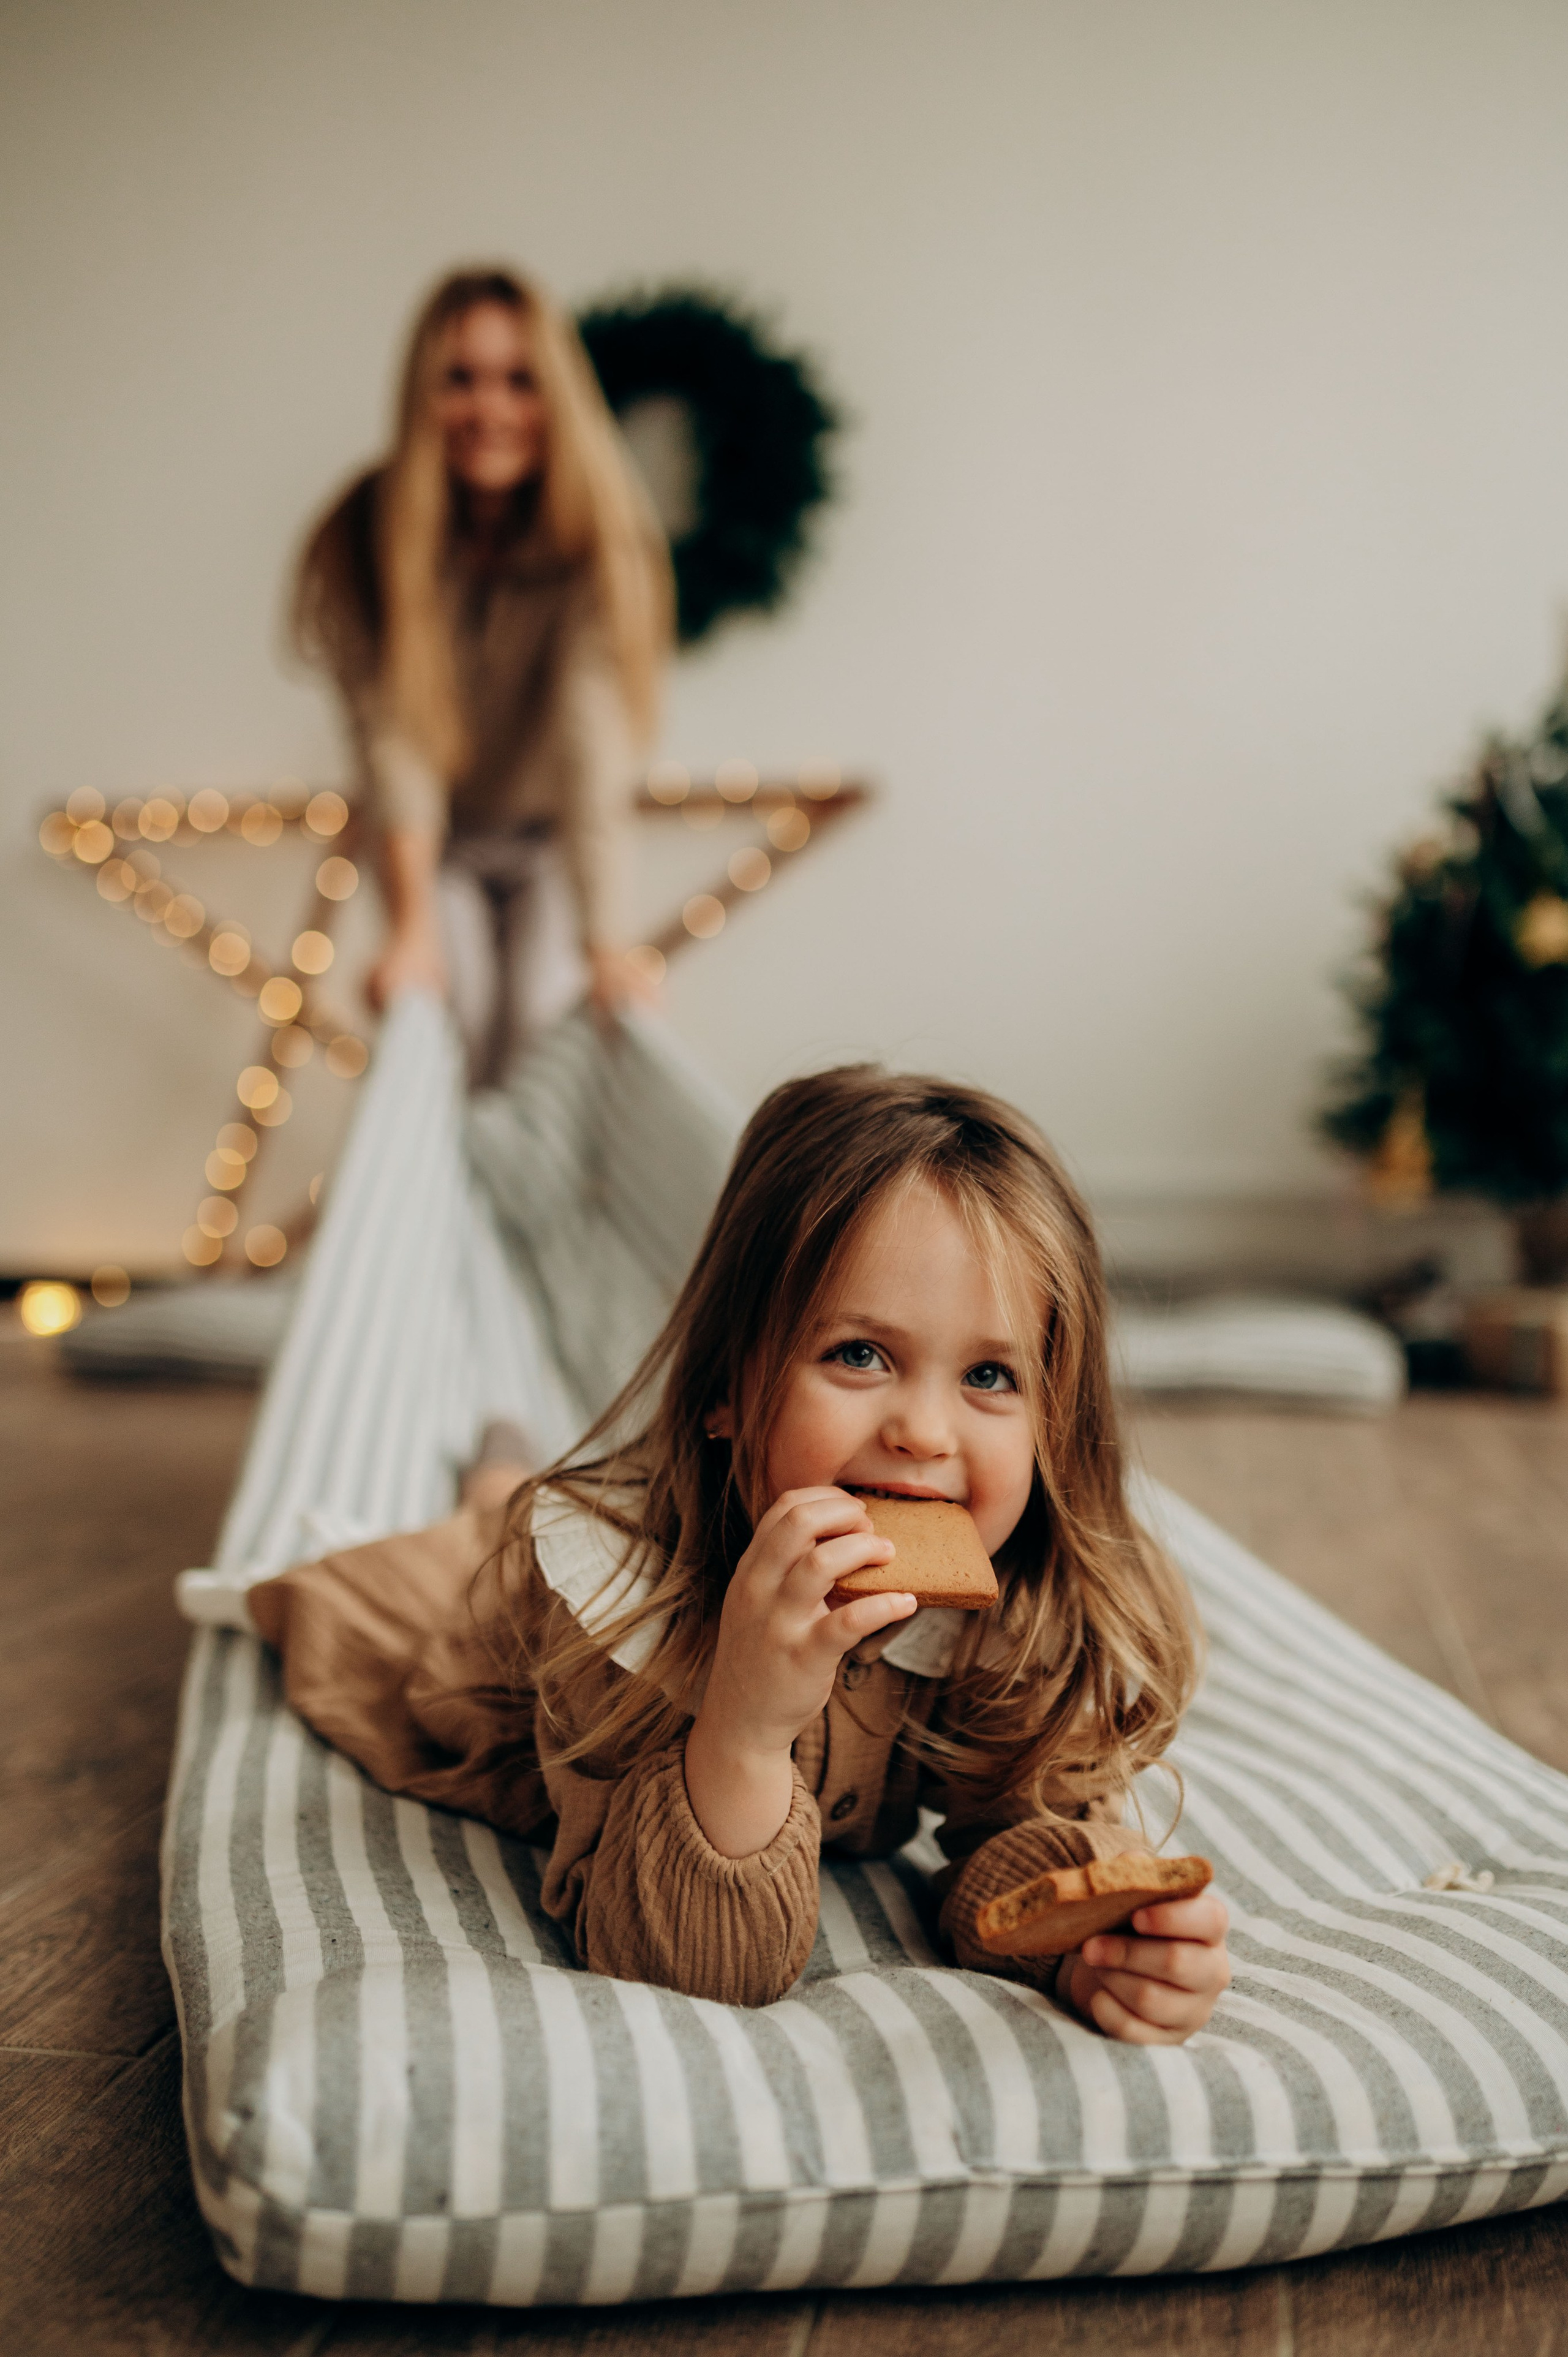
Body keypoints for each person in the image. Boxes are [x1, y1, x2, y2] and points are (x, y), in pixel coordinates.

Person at [249, 1068, 1232, 2037]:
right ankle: (496, 1476)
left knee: (507, 1495)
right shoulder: (623, 1605)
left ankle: (502, 1468)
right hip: (501, 1649)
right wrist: (747, 1729)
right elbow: (677, 1960)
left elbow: (1025, 1832)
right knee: (489, 1537)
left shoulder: (1018, 1606)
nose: (925, 1434)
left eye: (989, 1375)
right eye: (860, 1355)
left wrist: (1100, 1936)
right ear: (726, 1385)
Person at [293, 266, 673, 1084]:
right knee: (449, 1012)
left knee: (544, 1020)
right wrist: (413, 927)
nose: (489, 410)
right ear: (421, 395)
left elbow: (592, 741)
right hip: (435, 840)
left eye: (519, 381)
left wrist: (608, 944)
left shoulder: (600, 540)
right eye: (460, 380)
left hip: (552, 837)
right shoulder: (365, 531)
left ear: (555, 395)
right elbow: (393, 737)